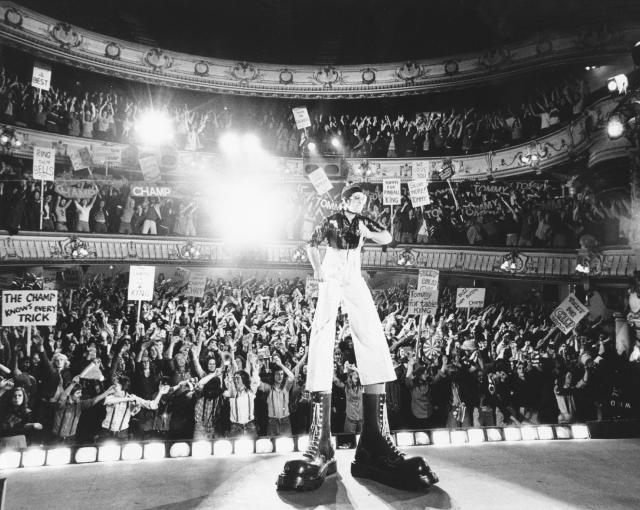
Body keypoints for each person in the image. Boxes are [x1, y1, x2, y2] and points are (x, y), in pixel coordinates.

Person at [277, 184, 438, 492]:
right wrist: (317, 271)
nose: (361, 203)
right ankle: (320, 444)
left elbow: (388, 237)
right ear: (345, 200)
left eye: (364, 200)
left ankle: (375, 443)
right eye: (357, 199)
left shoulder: (362, 221)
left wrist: (369, 231)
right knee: (323, 333)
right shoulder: (332, 220)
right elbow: (311, 244)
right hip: (332, 268)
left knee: (373, 332)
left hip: (354, 272)